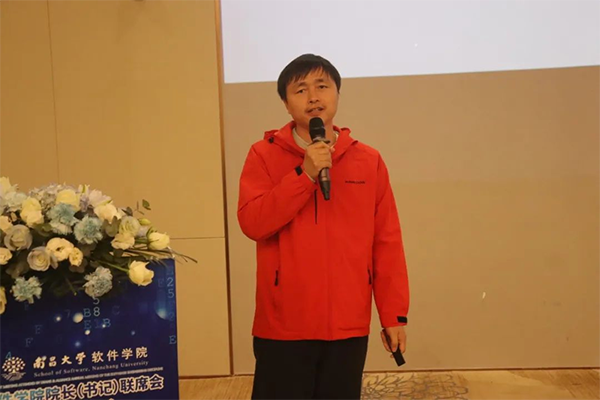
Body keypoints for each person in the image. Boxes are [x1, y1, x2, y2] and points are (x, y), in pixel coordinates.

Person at [237, 53, 410, 400]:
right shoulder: (263, 155)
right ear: (286, 104)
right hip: (285, 323)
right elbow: (253, 223)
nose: (313, 97)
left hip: (347, 322)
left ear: (337, 94)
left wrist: (393, 315)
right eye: (301, 90)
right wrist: (304, 175)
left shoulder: (368, 160)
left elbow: (386, 241)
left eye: (322, 86)